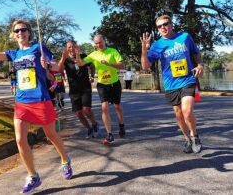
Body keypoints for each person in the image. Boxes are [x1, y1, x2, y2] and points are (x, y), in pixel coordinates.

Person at [0, 20, 72, 193]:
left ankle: (65, 160)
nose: (20, 33)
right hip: (22, 102)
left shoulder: (38, 47)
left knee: (51, 135)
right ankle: (33, 175)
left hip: (40, 99)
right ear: (13, 34)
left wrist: (53, 62)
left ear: (29, 33)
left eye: (24, 30)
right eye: (17, 31)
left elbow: (56, 68)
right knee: (19, 139)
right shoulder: (13, 53)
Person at [140, 14, 203, 153]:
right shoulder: (156, 45)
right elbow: (145, 66)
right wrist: (144, 49)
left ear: (171, 24)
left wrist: (199, 66)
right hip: (171, 84)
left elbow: (196, 53)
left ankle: (194, 135)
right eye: (159, 26)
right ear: (158, 29)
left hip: (188, 80)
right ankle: (187, 139)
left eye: (166, 24)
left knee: (187, 111)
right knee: (179, 114)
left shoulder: (185, 37)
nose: (163, 27)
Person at [75, 35, 125, 145]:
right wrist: (78, 54)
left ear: (105, 40)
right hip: (102, 84)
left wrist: (109, 64)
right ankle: (109, 134)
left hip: (115, 83)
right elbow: (80, 63)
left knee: (117, 106)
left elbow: (122, 65)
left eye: (100, 42)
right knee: (104, 108)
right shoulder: (93, 54)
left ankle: (121, 125)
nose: (99, 45)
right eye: (96, 43)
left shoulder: (113, 51)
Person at [58, 40, 99, 139]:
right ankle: (89, 129)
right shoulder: (66, 60)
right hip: (74, 90)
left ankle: (94, 124)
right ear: (67, 50)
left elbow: (92, 66)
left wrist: (92, 76)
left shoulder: (84, 56)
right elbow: (59, 70)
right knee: (79, 113)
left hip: (85, 87)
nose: (71, 49)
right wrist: (63, 58)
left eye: (72, 46)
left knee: (86, 110)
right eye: (69, 48)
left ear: (76, 46)